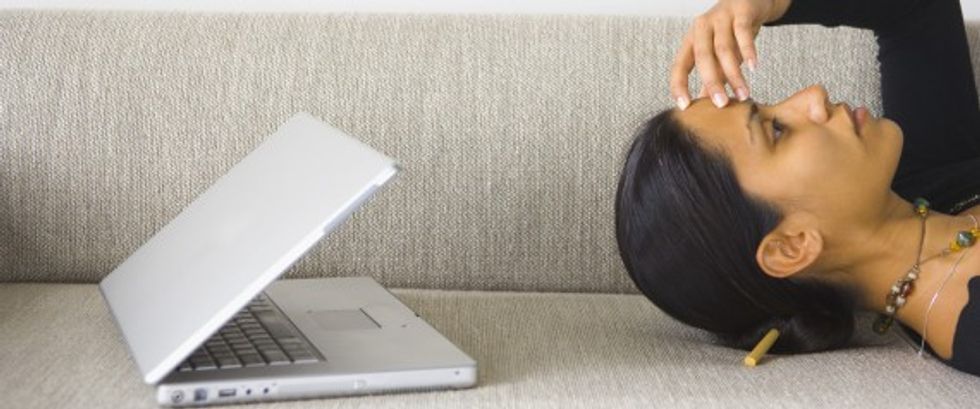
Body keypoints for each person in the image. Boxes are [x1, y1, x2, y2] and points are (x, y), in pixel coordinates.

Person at [615, 0, 980, 376]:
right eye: (776, 130)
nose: (813, 95)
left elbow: (918, 11)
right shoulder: (970, 322)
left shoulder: (929, 174)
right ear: (792, 246)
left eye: (770, 107)